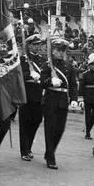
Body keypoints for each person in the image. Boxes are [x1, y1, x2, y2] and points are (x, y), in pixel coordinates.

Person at [40, 38, 78, 169]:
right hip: (50, 100)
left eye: (63, 50)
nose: (61, 53)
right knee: (50, 129)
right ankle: (50, 156)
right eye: (58, 50)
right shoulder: (47, 65)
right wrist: (50, 81)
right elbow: (42, 82)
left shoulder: (69, 66)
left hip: (62, 101)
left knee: (59, 129)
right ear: (53, 51)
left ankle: (50, 151)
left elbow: (73, 85)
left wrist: (74, 99)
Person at [19, 34, 45, 161]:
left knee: (37, 120)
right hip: (27, 94)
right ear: (29, 46)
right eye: (35, 45)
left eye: (39, 44)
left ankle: (28, 145)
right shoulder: (23, 59)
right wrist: (29, 75)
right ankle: (24, 150)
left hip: (39, 95)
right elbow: (18, 76)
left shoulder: (43, 59)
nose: (37, 47)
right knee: (25, 122)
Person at [79, 53, 94, 140]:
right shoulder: (85, 74)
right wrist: (80, 98)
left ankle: (89, 128)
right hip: (87, 96)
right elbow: (81, 86)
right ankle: (87, 133)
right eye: (92, 65)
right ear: (89, 65)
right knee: (87, 116)